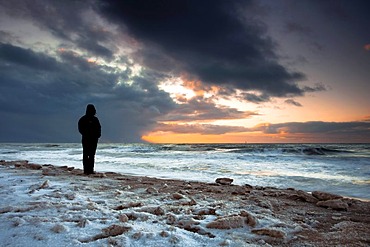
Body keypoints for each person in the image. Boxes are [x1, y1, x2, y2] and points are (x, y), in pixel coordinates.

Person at [78, 104, 101, 175]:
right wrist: (86, 134)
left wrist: (98, 135)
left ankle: (89, 170)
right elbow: (80, 129)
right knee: (88, 154)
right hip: (87, 139)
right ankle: (87, 170)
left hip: (92, 139)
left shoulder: (95, 119)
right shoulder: (83, 119)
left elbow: (99, 128)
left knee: (90, 155)